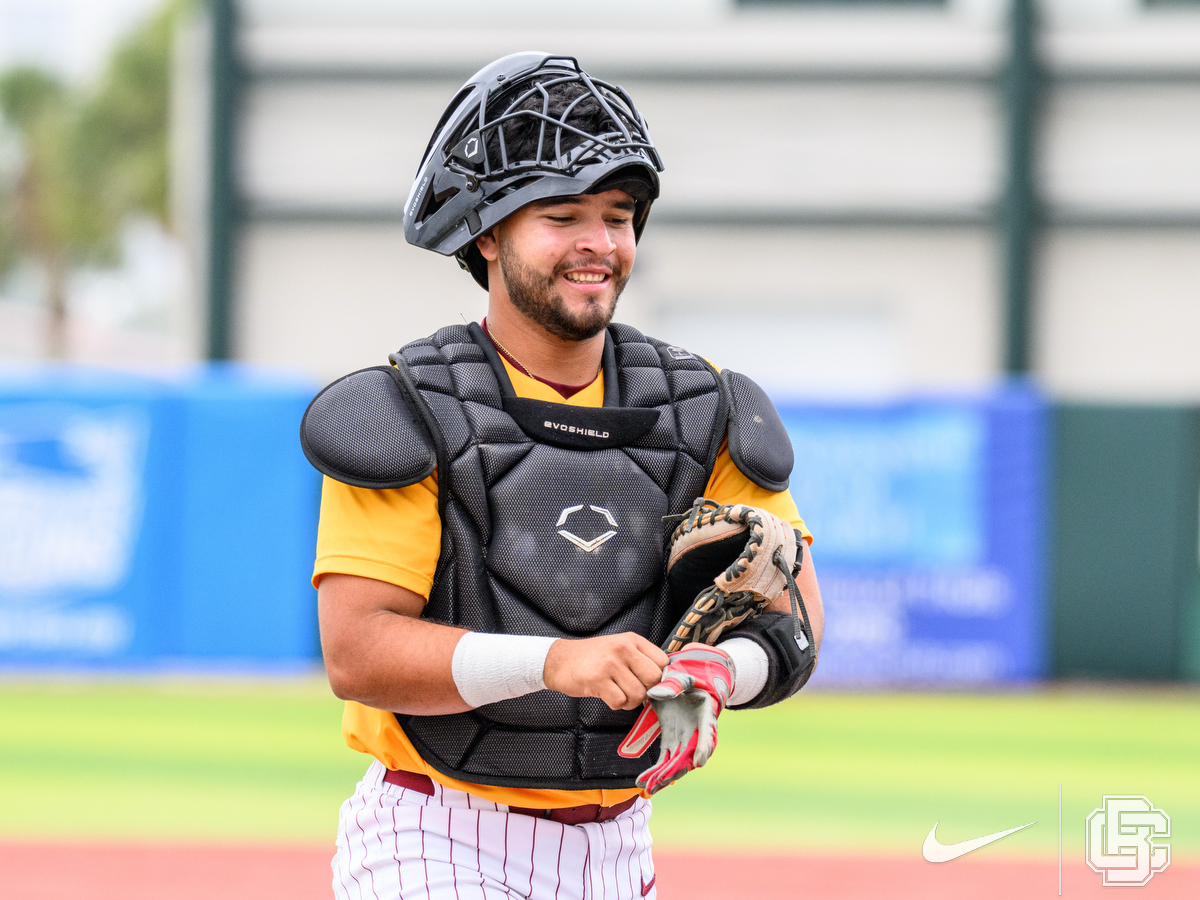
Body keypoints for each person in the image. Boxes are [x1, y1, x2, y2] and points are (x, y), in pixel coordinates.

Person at [302, 52, 825, 900]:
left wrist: (725, 671)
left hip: (619, 847)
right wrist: (556, 662)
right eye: (561, 215)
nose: (599, 243)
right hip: (435, 832)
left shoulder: (702, 407)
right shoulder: (407, 407)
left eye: (618, 216)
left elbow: (798, 619)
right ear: (486, 231)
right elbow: (357, 654)